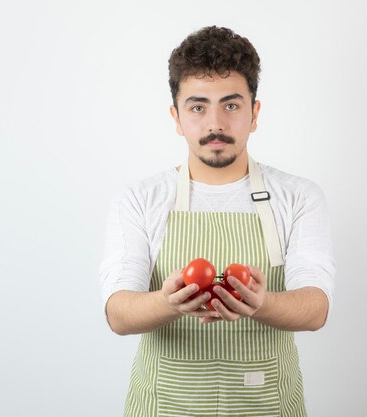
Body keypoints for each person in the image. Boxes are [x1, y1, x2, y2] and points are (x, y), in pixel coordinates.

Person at [99, 25, 335, 417]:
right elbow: (118, 314)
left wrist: (261, 304)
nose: (215, 125)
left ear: (254, 113)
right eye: (197, 107)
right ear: (176, 117)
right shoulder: (139, 200)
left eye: (231, 105)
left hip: (267, 406)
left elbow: (315, 309)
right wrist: (167, 302)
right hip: (165, 407)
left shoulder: (299, 197)